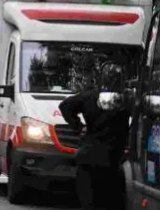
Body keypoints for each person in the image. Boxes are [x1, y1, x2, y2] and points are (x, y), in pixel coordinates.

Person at [59, 62, 130, 210]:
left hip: (89, 158)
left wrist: (78, 126)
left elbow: (65, 106)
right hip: (112, 162)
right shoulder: (127, 100)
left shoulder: (90, 97)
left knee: (89, 203)